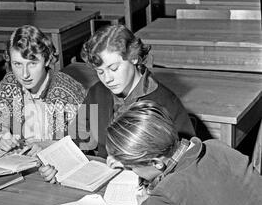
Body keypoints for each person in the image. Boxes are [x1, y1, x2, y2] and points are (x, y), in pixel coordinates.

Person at [92, 100, 262, 205]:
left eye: (132, 167)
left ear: (156, 163)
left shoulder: (174, 193)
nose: (133, 172)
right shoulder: (216, 148)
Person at [39, 24, 195, 182]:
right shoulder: (98, 92)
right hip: (102, 179)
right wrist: (59, 167)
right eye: (100, 72)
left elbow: (185, 161)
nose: (107, 79)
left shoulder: (165, 102)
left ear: (134, 57)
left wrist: (130, 164)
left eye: (113, 68)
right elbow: (77, 138)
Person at [0, 25, 86, 157]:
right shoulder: (9, 83)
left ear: (47, 60)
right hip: (20, 161)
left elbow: (84, 140)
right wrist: (1, 136)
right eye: (17, 64)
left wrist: (48, 145)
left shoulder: (67, 91)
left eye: (32, 64)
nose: (24, 74)